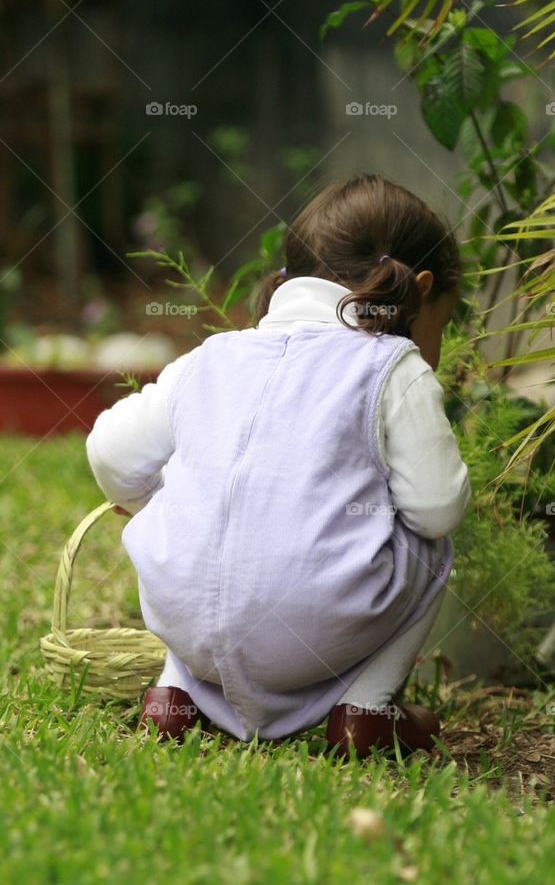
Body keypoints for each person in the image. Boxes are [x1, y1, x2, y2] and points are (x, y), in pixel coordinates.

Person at [86, 174, 470, 757]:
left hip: (181, 620)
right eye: (442, 322)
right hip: (316, 630)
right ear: (420, 289)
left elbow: (109, 452)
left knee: (205, 524)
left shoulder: (211, 357)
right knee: (430, 542)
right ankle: (365, 710)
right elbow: (437, 507)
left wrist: (160, 503)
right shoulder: (393, 364)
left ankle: (173, 697)